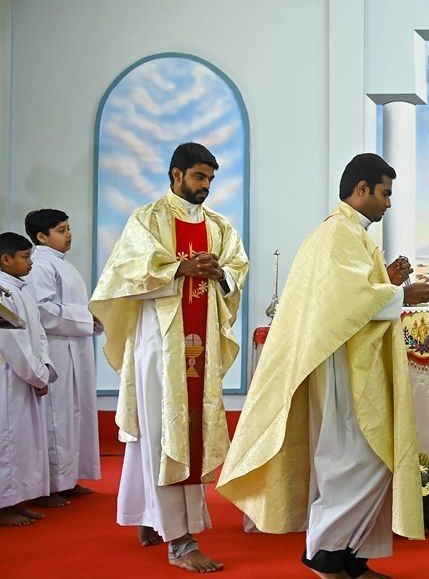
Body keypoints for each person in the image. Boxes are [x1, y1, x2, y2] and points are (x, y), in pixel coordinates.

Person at [218, 153, 429, 579]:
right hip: (342, 369)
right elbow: (345, 301)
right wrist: (401, 296)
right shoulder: (336, 234)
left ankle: (347, 558)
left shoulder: (352, 234)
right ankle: (322, 554)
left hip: (355, 361)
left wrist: (386, 283)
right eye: (385, 193)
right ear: (361, 189)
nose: (388, 203)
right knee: (355, 459)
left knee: (363, 458)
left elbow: (355, 292)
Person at [90, 142, 249, 573]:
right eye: (199, 177)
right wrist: (179, 268)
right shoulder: (147, 220)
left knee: (175, 434)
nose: (206, 187)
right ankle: (179, 540)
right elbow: (123, 273)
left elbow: (237, 267)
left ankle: (149, 517)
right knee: (162, 433)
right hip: (159, 345)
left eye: (211, 179)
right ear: (176, 175)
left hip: (200, 343)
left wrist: (222, 274)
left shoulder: (217, 225)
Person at [25, 209, 102, 503]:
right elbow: (42, 310)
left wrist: (91, 318)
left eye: (69, 228)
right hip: (55, 347)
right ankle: (51, 484)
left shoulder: (63, 265)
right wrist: (86, 317)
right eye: (60, 230)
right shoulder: (41, 265)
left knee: (74, 412)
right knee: (57, 415)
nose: (68, 234)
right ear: (41, 236)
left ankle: (68, 478)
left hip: (74, 347)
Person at [0, 232, 57, 526]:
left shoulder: (20, 289)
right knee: (8, 440)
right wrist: (37, 375)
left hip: (28, 375)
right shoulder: (1, 291)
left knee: (24, 440)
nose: (30, 263)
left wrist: (43, 368)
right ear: (5, 259)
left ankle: (18, 498)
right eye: (25, 257)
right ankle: (4, 504)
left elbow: (38, 334)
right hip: (8, 378)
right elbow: (11, 342)